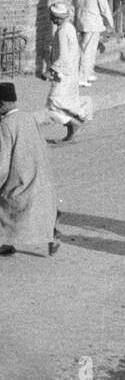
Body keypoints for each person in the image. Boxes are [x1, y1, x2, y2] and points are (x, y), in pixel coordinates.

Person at [0, 81, 60, 257]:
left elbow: (3, 163)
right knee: (40, 212)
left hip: (21, 181)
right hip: (39, 176)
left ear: (2, 104)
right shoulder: (28, 117)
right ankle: (52, 237)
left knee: (5, 210)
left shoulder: (6, 125)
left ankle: (4, 243)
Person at [46, 3, 87, 142]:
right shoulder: (68, 28)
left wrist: (53, 69)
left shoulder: (63, 31)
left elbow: (63, 55)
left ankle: (73, 124)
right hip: (69, 72)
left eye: (53, 17)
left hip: (64, 73)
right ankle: (72, 129)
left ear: (57, 17)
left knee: (53, 103)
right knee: (64, 102)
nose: (51, 19)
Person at [72, 0, 114, 87]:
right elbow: (105, 9)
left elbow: (75, 6)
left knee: (84, 48)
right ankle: (82, 77)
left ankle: (88, 72)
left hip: (81, 23)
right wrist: (110, 25)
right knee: (88, 51)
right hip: (93, 24)